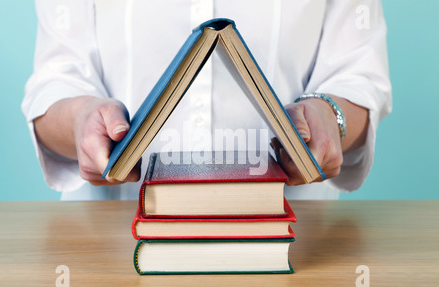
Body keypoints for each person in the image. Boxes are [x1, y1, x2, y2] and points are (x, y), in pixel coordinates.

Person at [21, 0, 392, 201]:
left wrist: (331, 115)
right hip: (112, 245)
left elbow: (358, 75)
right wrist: (80, 118)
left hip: (295, 241)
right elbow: (56, 80)